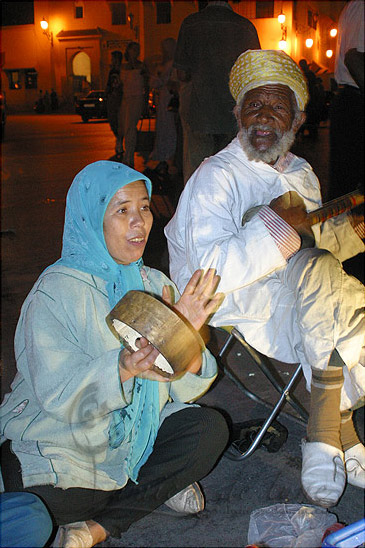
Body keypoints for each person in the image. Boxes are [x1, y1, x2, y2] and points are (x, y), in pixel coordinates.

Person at [165, 49, 365, 509]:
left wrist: (351, 231)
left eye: (278, 108)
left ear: (297, 119)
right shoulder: (216, 176)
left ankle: (338, 428)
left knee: (331, 284)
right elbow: (207, 273)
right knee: (319, 275)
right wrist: (278, 229)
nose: (264, 118)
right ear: (237, 113)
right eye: (254, 106)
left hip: (305, 295)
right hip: (240, 303)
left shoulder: (300, 173)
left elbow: (314, 243)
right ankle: (326, 434)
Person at [0, 160, 229, 547]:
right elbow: (58, 395)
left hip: (127, 445)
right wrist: (122, 369)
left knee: (208, 430)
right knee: (40, 505)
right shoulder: (55, 292)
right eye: (122, 210)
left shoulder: (155, 284)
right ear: (91, 219)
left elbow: (183, 389)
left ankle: (96, 529)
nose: (139, 221)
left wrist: (187, 339)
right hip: (62, 442)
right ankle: (150, 488)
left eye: (144, 207)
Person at [173, 0, 260, 183]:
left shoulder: (191, 23)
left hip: (200, 112)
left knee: (197, 174)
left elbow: (182, 74)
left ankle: (197, 210)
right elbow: (254, 75)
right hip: (234, 115)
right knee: (233, 174)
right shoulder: (245, 27)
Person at [329, 0, 364, 200]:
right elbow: (354, 58)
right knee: (349, 192)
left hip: (354, 102)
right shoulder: (360, 6)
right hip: (356, 103)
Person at [148, 37, 179, 177]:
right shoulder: (164, 62)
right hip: (162, 97)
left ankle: (169, 157)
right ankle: (164, 157)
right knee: (163, 127)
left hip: (168, 96)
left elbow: (167, 80)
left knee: (168, 128)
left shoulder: (172, 63)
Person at [118, 43, 149, 167]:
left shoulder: (141, 66)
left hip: (136, 98)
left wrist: (145, 102)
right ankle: (127, 153)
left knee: (130, 126)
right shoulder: (124, 66)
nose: (136, 52)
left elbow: (146, 85)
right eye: (134, 49)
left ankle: (129, 156)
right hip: (126, 99)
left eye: (138, 49)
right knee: (125, 127)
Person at [105, 51, 124, 159]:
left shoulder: (122, 70)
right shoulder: (112, 71)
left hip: (120, 98)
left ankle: (120, 141)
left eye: (113, 59)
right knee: (113, 120)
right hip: (112, 98)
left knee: (120, 121)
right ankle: (119, 139)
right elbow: (109, 85)